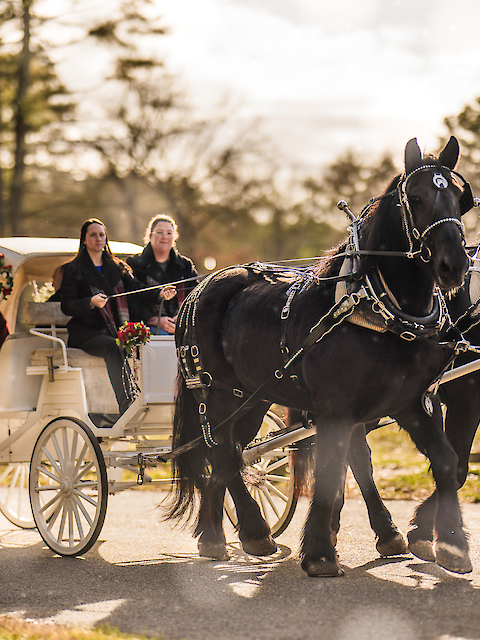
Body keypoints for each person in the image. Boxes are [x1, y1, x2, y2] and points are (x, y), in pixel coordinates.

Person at [60, 218, 174, 414]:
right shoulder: (73, 269)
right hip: (86, 332)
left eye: (101, 235)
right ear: (84, 240)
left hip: (112, 330)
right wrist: (90, 302)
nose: (98, 239)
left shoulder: (117, 267)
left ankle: (156, 400)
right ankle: (128, 403)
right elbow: (67, 305)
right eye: (93, 235)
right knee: (114, 346)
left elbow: (136, 288)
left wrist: (159, 293)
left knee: (142, 343)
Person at [127, 214, 198, 335]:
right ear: (150, 236)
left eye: (169, 233)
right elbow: (131, 300)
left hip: (181, 324)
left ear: (175, 237)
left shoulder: (185, 265)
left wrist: (182, 316)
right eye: (159, 232)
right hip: (147, 326)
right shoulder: (134, 263)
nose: (164, 237)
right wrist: (155, 320)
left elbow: (196, 295)